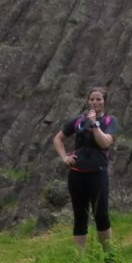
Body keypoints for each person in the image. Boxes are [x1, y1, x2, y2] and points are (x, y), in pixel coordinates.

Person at [52, 85, 117, 249]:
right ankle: (79, 259)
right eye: (92, 99)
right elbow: (58, 139)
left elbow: (105, 143)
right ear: (88, 101)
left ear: (104, 101)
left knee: (101, 214)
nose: (95, 102)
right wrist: (64, 157)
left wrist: (95, 124)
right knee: (80, 216)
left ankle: (109, 255)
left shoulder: (109, 121)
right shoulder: (78, 120)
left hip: (98, 174)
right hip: (77, 175)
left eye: (98, 99)